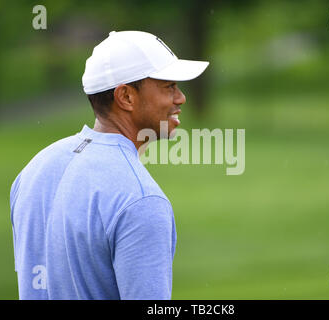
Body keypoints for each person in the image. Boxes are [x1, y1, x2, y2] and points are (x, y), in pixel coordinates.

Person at [10, 30, 209, 300]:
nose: (181, 98)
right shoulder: (141, 199)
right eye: (169, 87)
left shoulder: (35, 169)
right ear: (126, 97)